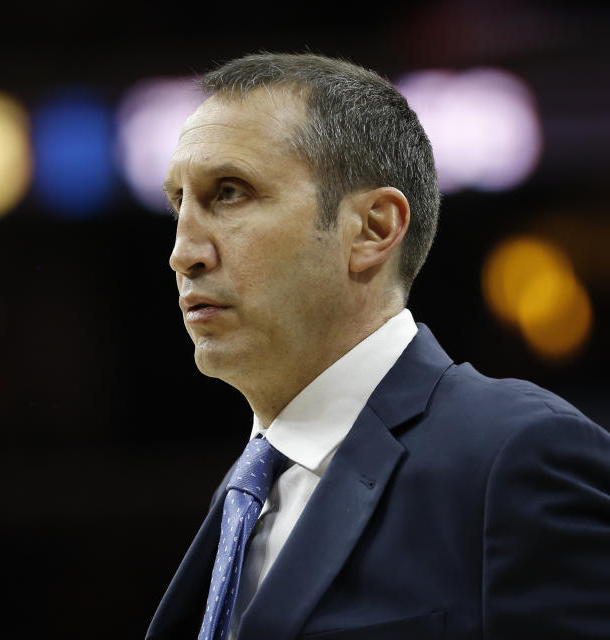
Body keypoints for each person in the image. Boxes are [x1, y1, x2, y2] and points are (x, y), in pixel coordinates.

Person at [147, 52, 610, 640]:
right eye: (178, 203)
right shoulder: (246, 493)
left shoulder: (515, 455)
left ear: (372, 229)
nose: (183, 252)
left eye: (230, 192)